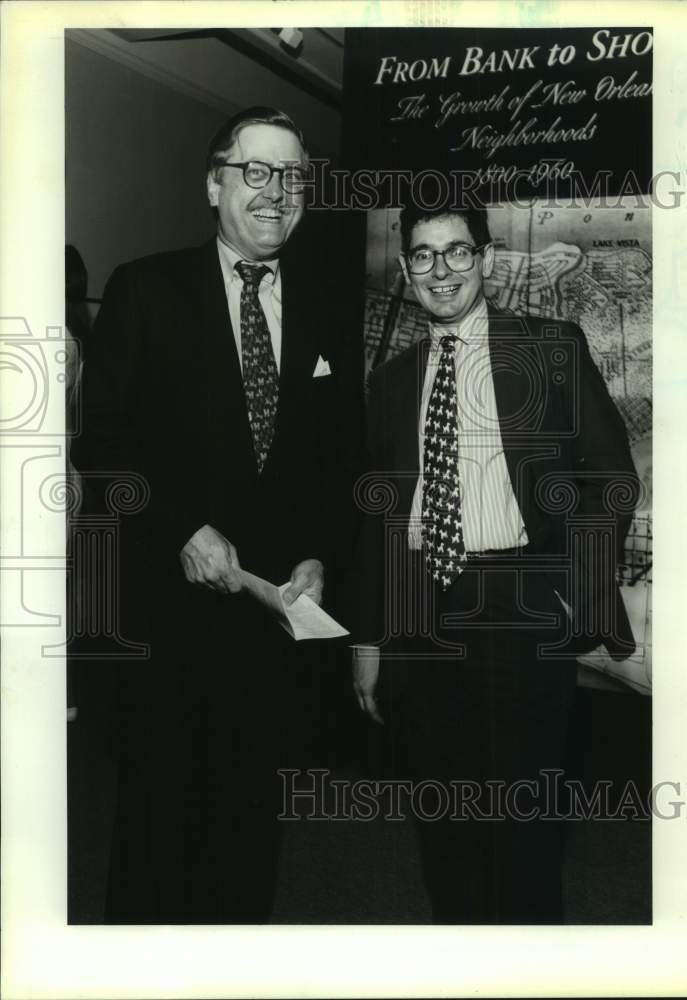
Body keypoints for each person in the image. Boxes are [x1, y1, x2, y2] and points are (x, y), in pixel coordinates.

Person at [72, 106, 358, 923]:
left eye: (293, 175)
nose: (277, 192)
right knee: (153, 845)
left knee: (245, 847)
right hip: (168, 632)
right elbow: (102, 448)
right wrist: (181, 529)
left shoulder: (329, 306)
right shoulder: (145, 288)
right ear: (214, 184)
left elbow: (338, 464)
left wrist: (317, 555)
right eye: (256, 171)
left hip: (271, 641)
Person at [351, 201, 638, 924]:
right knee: (443, 821)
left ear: (484, 259)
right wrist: (368, 637)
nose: (440, 270)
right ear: (407, 266)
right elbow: (379, 520)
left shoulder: (547, 348)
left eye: (456, 251)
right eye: (422, 254)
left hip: (518, 601)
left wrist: (576, 589)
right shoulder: (387, 384)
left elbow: (609, 476)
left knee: (522, 823)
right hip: (422, 612)